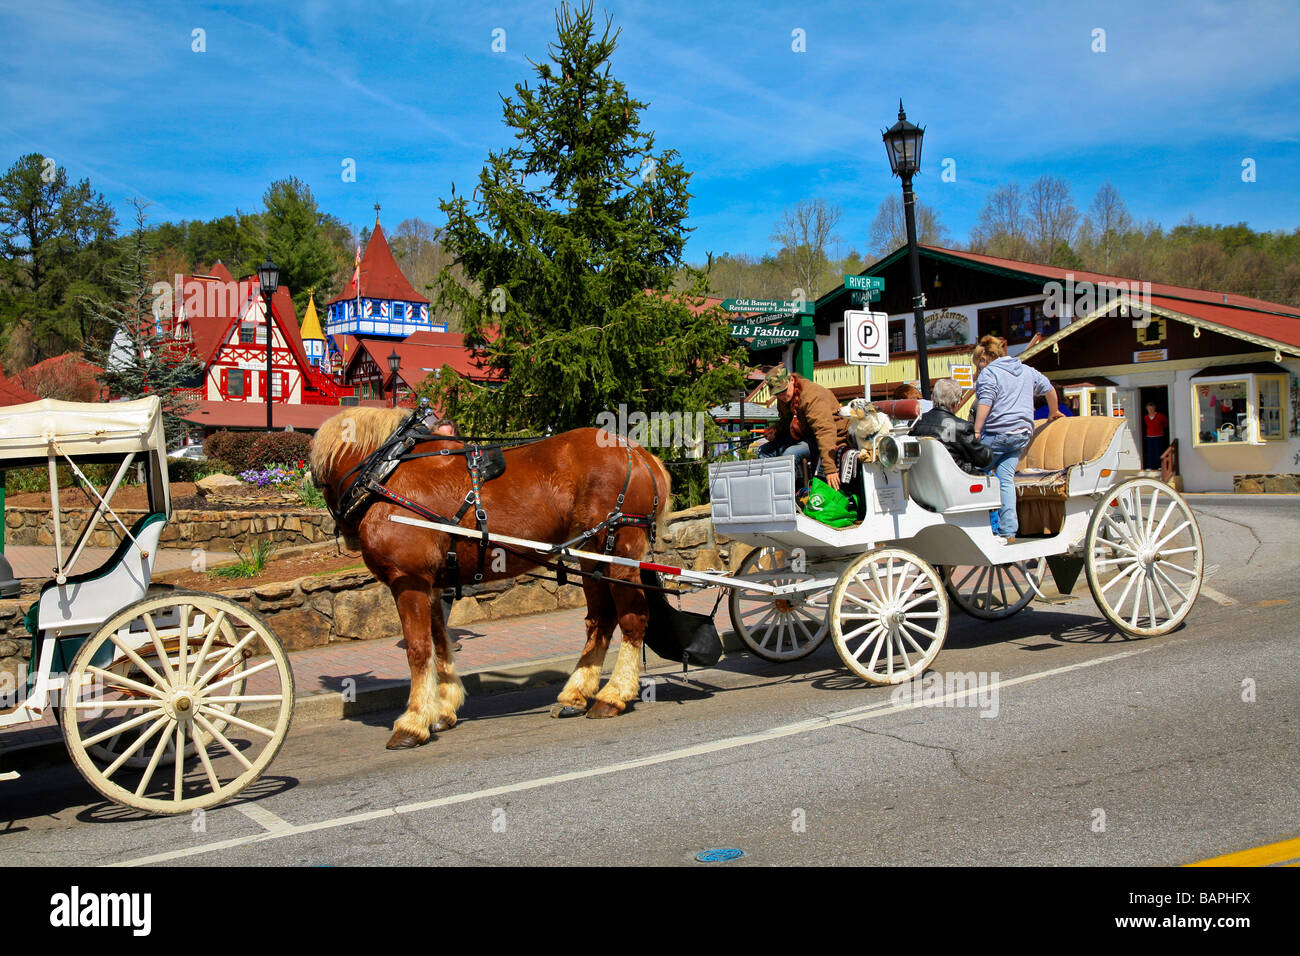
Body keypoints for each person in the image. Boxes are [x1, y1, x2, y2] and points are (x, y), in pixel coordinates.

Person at [971, 335, 1062, 543]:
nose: (978, 369)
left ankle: (989, 528)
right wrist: (1053, 412)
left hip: (997, 434)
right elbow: (1049, 388)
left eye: (978, 364)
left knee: (976, 472)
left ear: (984, 357)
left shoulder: (989, 373)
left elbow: (985, 402)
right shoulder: (1026, 370)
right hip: (1021, 435)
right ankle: (1009, 530)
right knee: (1005, 479)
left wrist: (976, 431)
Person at [759, 365, 850, 490]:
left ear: (791, 380)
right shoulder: (784, 397)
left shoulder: (812, 396)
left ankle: (785, 494)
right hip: (805, 434)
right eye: (777, 394)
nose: (781, 396)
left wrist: (830, 469)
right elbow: (785, 421)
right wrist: (775, 431)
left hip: (830, 435)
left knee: (790, 454)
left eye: (783, 390)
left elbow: (825, 431)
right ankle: (768, 491)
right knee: (764, 451)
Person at [911, 378, 994, 475]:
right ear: (956, 403)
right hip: (955, 478)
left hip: (924, 477)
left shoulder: (915, 423)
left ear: (933, 397)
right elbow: (982, 459)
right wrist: (990, 449)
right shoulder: (962, 427)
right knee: (992, 479)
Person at [1143, 402, 1168, 469]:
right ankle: (1150, 466)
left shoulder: (1160, 415)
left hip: (1159, 436)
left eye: (1151, 408)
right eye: (1149, 409)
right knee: (1150, 452)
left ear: (1154, 408)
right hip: (1149, 437)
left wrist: (1160, 428)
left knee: (1158, 451)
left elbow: (1166, 423)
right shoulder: (1146, 417)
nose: (1150, 410)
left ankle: (1159, 466)